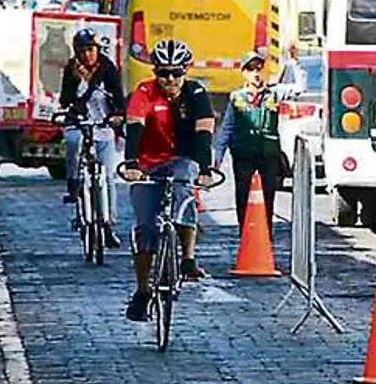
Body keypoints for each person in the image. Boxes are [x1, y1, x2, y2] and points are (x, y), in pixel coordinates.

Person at [120, 39, 215, 322]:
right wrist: (131, 164)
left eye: (176, 72)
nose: (170, 79)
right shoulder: (144, 92)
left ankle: (187, 258)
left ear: (185, 71)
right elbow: (134, 127)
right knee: (145, 227)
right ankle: (142, 292)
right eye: (163, 73)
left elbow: (204, 132)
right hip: (148, 162)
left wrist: (206, 169)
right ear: (155, 72)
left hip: (182, 159)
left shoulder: (196, 93)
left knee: (185, 185)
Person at [58, 28, 124, 248]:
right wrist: (77, 81)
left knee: (108, 176)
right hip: (79, 122)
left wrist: (117, 117)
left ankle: (108, 224)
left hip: (102, 125)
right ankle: (73, 185)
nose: (87, 55)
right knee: (73, 143)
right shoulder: (71, 69)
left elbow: (118, 98)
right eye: (83, 51)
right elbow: (64, 99)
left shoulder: (108, 68)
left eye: (91, 49)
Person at [214, 51, 280, 236]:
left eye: (259, 68)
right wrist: (218, 156)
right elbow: (227, 127)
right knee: (242, 195)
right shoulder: (236, 97)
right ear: (244, 72)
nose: (256, 73)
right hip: (243, 154)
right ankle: (245, 232)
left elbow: (299, 87)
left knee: (268, 196)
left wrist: (293, 62)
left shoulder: (274, 94)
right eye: (251, 69)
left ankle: (265, 234)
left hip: (268, 154)